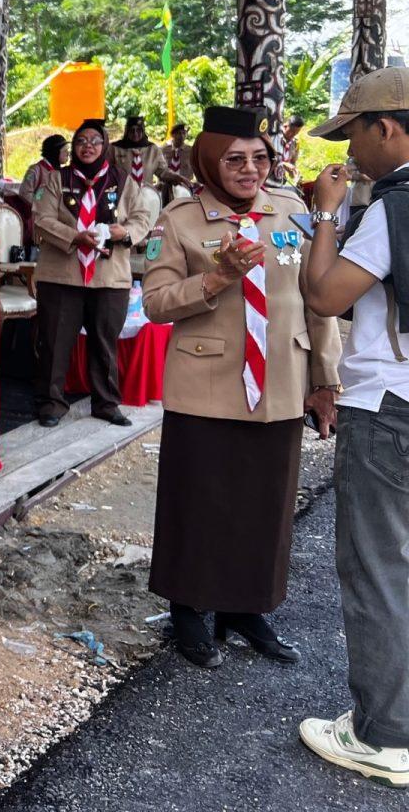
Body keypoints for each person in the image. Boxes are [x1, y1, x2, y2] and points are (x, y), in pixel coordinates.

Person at [141, 105, 339, 670]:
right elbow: (155, 302)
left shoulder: (290, 212)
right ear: (209, 162)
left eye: (259, 158)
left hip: (280, 381)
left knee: (265, 502)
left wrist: (325, 380)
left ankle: (245, 609)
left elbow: (315, 299)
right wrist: (217, 278)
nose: (250, 169)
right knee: (197, 500)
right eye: (234, 160)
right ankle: (187, 609)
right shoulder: (178, 219)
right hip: (204, 384)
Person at [295, 69, 409, 786]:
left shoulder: (393, 208)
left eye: (354, 136)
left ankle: (385, 735)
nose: (349, 153)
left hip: (389, 405)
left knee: (378, 567)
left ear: (387, 128)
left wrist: (327, 214)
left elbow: (323, 293)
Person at [32, 119, 157, 428]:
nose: (87, 146)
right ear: (73, 147)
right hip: (62, 274)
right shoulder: (57, 178)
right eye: (81, 141)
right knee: (55, 341)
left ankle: (106, 403)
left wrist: (124, 232)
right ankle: (51, 403)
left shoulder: (123, 180)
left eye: (94, 141)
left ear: (105, 146)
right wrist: (75, 236)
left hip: (108, 275)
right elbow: (42, 218)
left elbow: (142, 217)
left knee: (104, 342)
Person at [110, 113, 167, 196]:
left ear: (143, 131)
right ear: (127, 131)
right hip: (122, 196)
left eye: (139, 130)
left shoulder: (152, 149)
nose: (135, 133)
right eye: (132, 130)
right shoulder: (115, 148)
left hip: (146, 196)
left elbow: (163, 171)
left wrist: (177, 178)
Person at [20, 135, 67, 200]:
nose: (68, 153)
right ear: (55, 152)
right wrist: (41, 204)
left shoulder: (63, 172)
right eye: (65, 150)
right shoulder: (35, 171)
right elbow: (25, 193)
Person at [159, 123, 194, 201]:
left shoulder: (191, 151)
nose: (182, 136)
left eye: (184, 133)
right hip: (167, 186)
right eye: (179, 133)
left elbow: (196, 168)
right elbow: (159, 168)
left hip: (185, 186)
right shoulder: (164, 150)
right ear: (173, 135)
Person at [276, 114, 305, 183]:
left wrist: (294, 172)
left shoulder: (295, 143)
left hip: (280, 180)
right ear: (285, 126)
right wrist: (282, 164)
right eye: (292, 131)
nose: (293, 135)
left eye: (296, 133)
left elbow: (293, 162)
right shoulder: (274, 138)